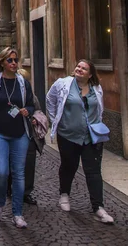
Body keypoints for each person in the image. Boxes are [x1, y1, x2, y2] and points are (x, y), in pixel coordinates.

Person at [46, 59, 113, 223]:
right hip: (68, 135)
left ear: (90, 74)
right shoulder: (63, 83)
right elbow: (50, 99)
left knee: (94, 172)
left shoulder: (96, 88)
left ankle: (98, 207)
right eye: (78, 66)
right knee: (69, 166)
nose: (79, 69)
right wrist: (56, 120)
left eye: (84, 68)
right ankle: (64, 194)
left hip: (91, 137)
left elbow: (99, 109)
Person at [0, 47, 34, 229]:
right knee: (2, 172)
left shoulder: (23, 83)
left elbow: (32, 104)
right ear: (2, 62)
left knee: (19, 174)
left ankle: (18, 213)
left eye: (15, 60)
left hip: (20, 133)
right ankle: (0, 204)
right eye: (10, 60)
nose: (14, 63)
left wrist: (28, 110)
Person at [7, 68, 47, 205]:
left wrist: (34, 118)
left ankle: (26, 192)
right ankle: (9, 187)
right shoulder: (9, 94)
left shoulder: (32, 96)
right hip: (12, 134)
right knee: (12, 162)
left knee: (29, 163)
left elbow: (38, 110)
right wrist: (15, 113)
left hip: (29, 134)